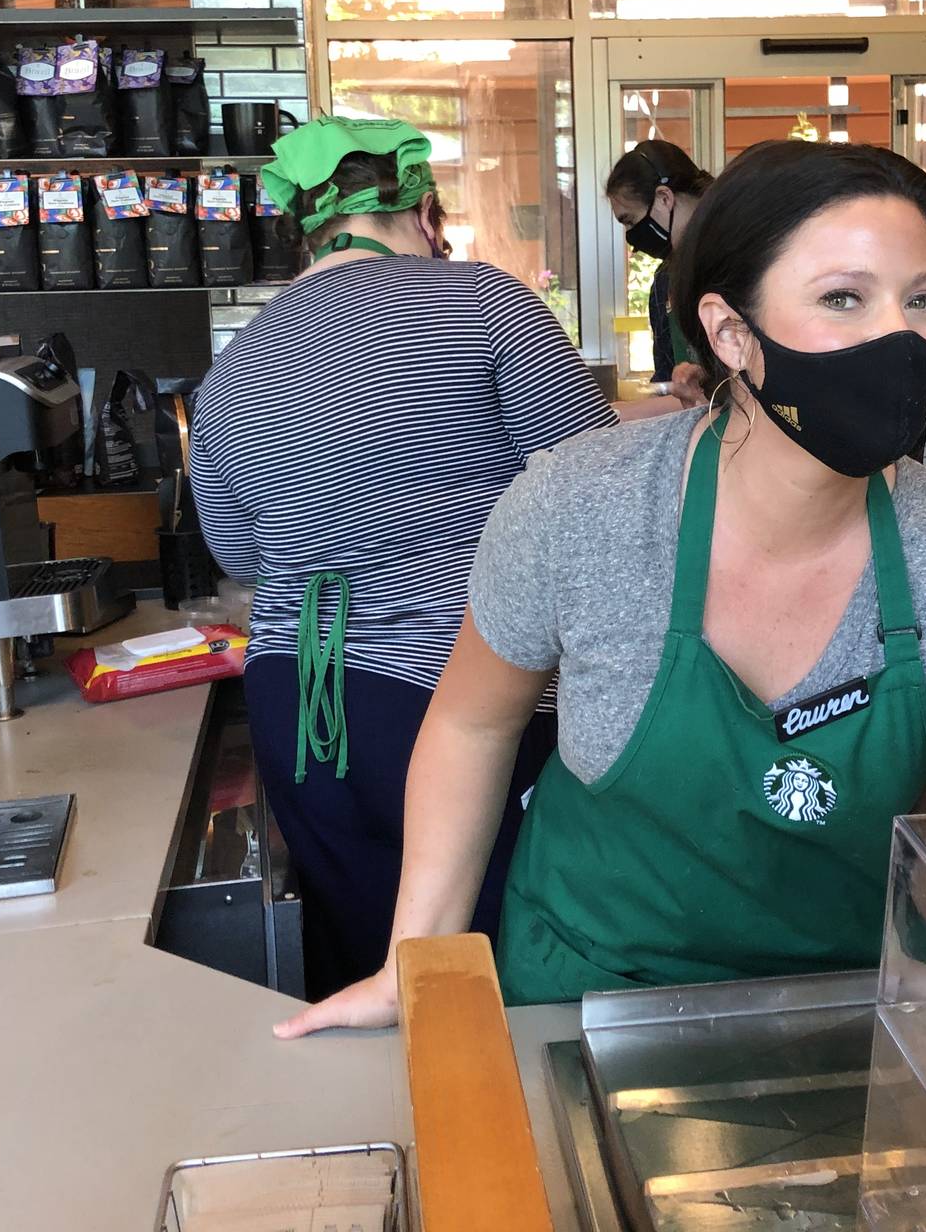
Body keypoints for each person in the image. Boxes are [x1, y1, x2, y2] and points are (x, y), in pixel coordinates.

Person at [276, 139, 926, 1034]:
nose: (901, 338)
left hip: (837, 1016)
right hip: (588, 1002)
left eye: (922, 300)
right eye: (843, 297)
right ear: (730, 333)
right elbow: (471, 721)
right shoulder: (581, 506)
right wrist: (413, 957)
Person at [190, 114, 618, 997]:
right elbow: (596, 496)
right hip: (461, 703)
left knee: (369, 981)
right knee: (504, 977)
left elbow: (237, 549)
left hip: (299, 708)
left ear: (307, 227)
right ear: (425, 210)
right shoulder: (487, 303)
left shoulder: (235, 365)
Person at [605, 139, 711, 399]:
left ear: (664, 198)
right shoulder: (665, 281)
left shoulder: (743, 260)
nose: (633, 240)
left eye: (630, 221)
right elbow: (667, 381)